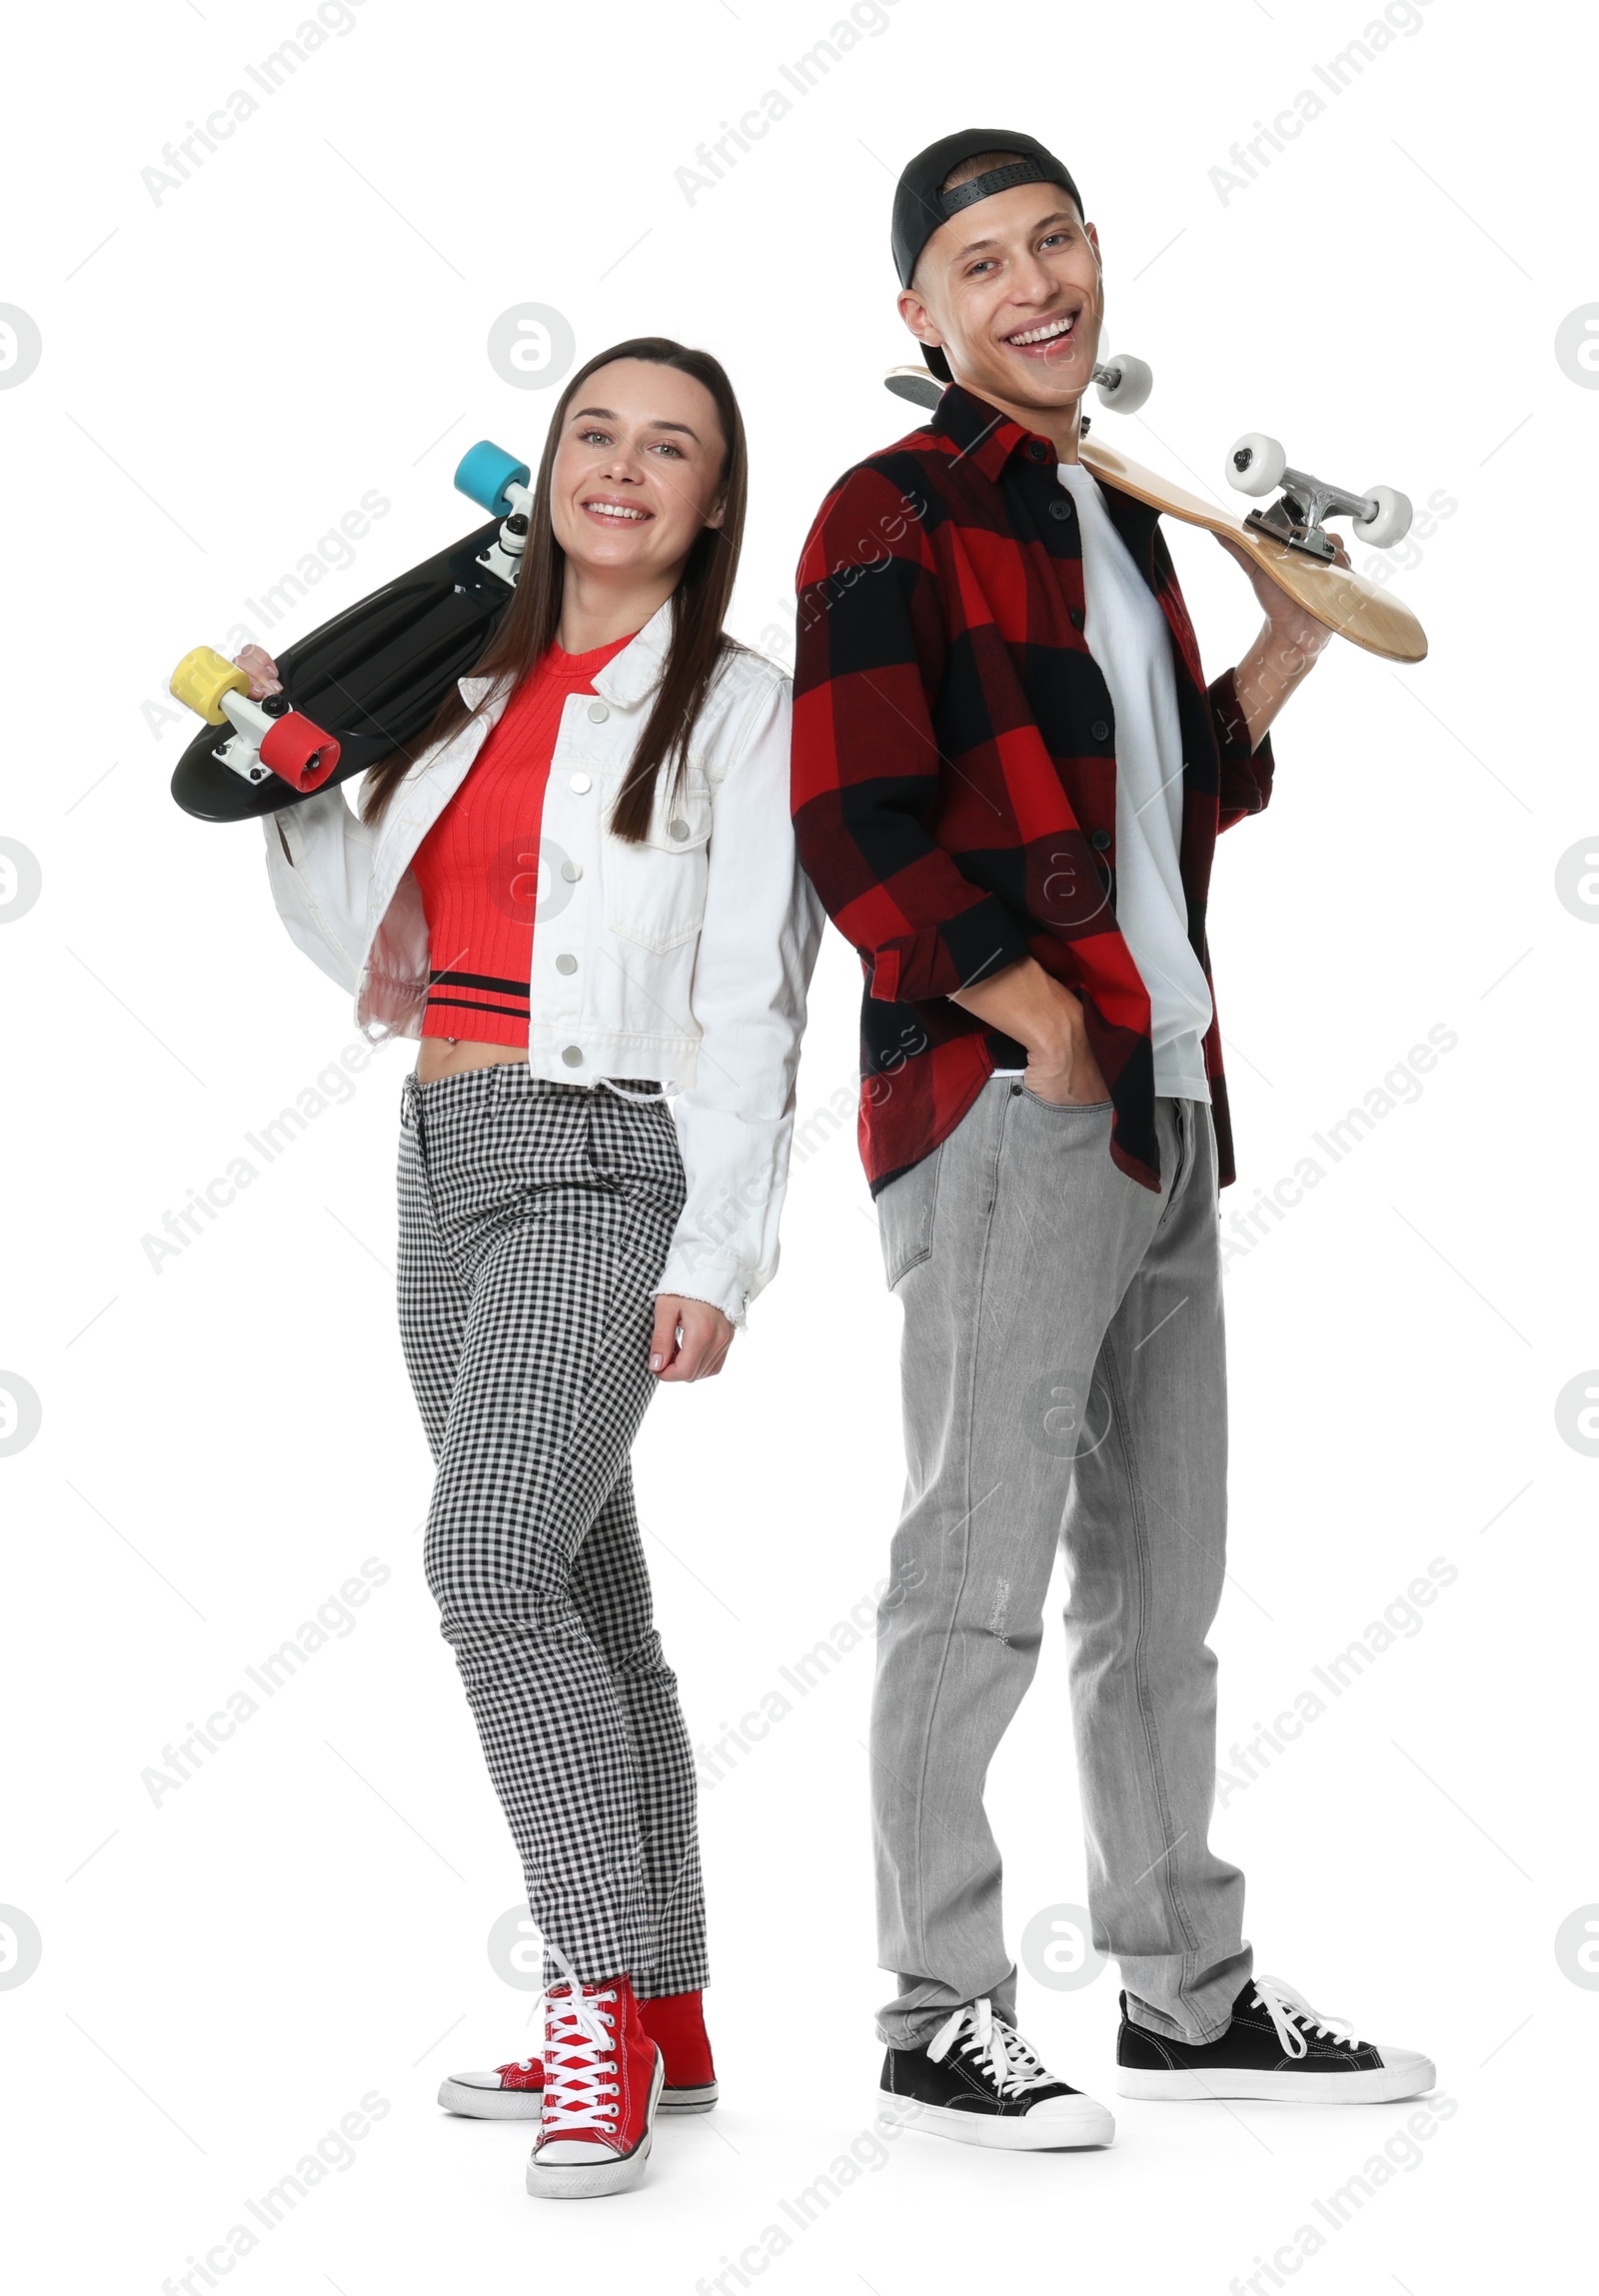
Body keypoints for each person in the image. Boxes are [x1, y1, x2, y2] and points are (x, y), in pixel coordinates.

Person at [791, 131, 1433, 2149]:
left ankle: (1185, 1987)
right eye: (978, 262)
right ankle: (930, 2005)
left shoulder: (1105, 516)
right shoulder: (886, 512)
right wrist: (1038, 1014)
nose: (1032, 282)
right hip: (1008, 1102)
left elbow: (1160, 809)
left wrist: (1280, 644)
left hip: (1163, 1093)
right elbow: (853, 822)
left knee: (1159, 1586)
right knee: (971, 1570)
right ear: (918, 313)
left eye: (1054, 240)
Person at [247, 336, 821, 2199]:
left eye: (674, 450)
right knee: (577, 1580)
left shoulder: (737, 705)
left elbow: (755, 994)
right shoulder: (456, 679)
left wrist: (724, 1245)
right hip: (442, 1144)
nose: (626, 471)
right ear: (545, 467)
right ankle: (668, 2003)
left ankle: (587, 1996)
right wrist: (289, 775)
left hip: (610, 1158)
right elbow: (369, 932)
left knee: (483, 1560)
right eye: (597, 434)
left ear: (714, 500)